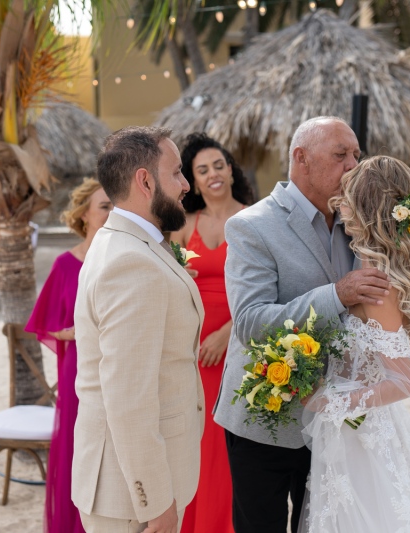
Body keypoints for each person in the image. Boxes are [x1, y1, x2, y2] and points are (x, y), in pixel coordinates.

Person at [212, 116, 394, 533]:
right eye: (340, 155)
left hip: (335, 424)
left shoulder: (360, 224)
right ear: (301, 159)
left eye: (356, 156)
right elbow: (250, 322)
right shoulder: (251, 226)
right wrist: (338, 295)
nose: (353, 166)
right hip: (265, 422)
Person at [301, 155, 410, 532]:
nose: (339, 206)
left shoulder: (377, 284)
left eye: (347, 198)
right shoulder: (363, 266)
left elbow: (403, 382)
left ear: (368, 207)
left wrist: (331, 402)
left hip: (364, 434)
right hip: (353, 430)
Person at [73, 126, 205, 533]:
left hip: (131, 487)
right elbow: (129, 400)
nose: (186, 184)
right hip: (132, 498)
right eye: (177, 173)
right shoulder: (130, 263)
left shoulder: (125, 243)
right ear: (145, 181)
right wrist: (156, 503)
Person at [169, 133, 253, 533]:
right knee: (197, 444)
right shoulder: (186, 227)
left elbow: (269, 290)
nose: (213, 174)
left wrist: (227, 333)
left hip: (239, 343)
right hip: (194, 352)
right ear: (194, 181)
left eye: (218, 165)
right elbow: (167, 280)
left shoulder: (256, 220)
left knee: (228, 446)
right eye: (202, 170)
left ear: (231, 170)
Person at [25, 178, 112, 533]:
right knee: (82, 453)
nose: (111, 212)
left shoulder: (126, 258)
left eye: (115, 206)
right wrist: (80, 330)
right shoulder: (64, 264)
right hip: (82, 372)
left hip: (122, 366)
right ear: (84, 216)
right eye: (104, 206)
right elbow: (47, 326)